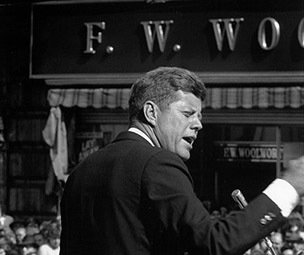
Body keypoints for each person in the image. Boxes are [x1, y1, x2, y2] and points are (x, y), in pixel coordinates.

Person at [60, 66, 304, 255]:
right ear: (151, 113)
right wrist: (289, 185)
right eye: (187, 114)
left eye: (199, 116)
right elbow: (214, 243)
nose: (198, 124)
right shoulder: (157, 162)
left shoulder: (82, 171)